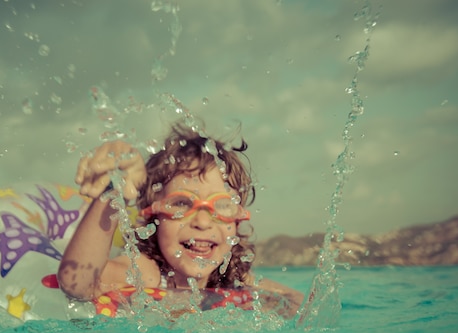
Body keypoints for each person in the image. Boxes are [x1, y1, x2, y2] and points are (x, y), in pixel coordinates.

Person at [57, 123, 303, 318]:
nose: (204, 223)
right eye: (182, 203)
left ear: (237, 220)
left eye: (222, 205)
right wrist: (114, 189)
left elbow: (300, 303)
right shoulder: (147, 272)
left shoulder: (232, 277)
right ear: (153, 214)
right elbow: (77, 285)